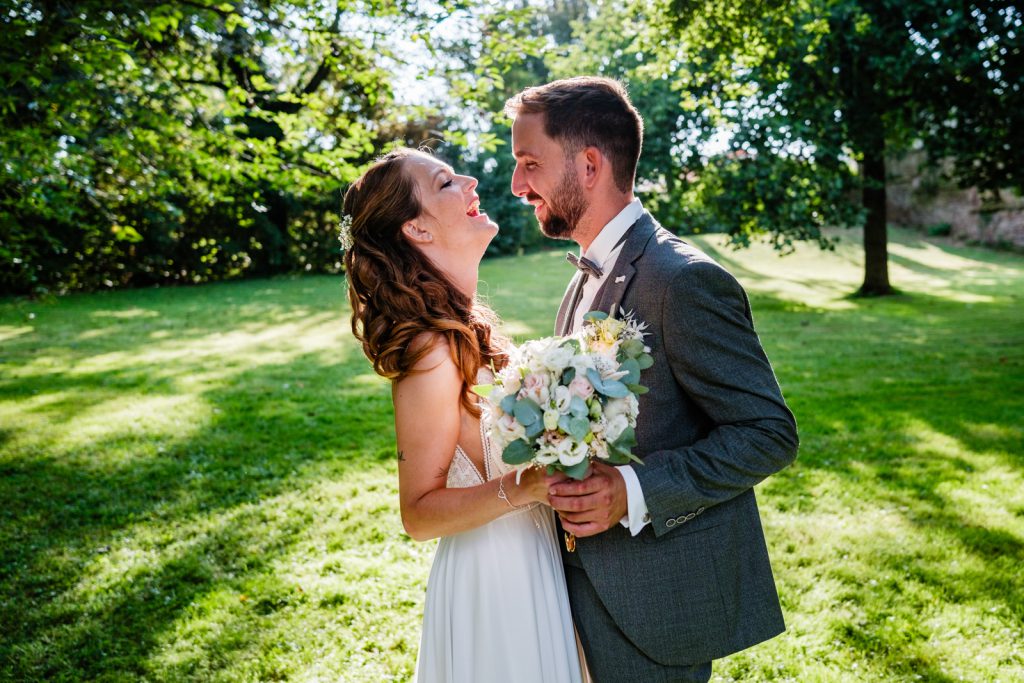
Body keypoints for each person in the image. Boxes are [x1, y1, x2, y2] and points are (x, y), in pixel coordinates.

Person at [505, 77, 799, 682]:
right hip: (577, 589)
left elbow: (768, 433)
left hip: (659, 607)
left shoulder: (683, 280)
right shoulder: (586, 271)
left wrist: (631, 493)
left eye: (530, 163)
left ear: (589, 165)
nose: (517, 185)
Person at [342, 148, 585, 683]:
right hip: (494, 584)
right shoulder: (432, 350)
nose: (472, 181)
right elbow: (418, 512)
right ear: (418, 231)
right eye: (447, 182)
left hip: (532, 560)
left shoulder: (468, 326)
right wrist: (524, 488)